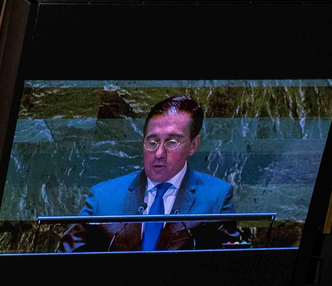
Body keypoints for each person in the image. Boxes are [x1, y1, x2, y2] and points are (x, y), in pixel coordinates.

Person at [61, 95, 241, 252]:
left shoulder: (217, 196)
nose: (159, 153)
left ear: (193, 144)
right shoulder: (103, 196)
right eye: (152, 142)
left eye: (171, 142)